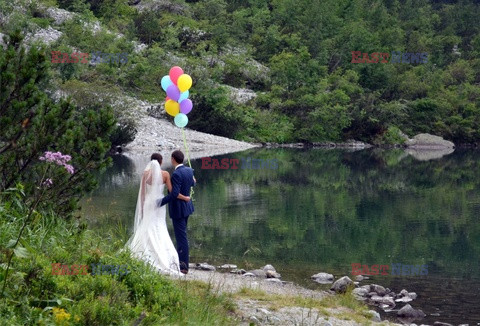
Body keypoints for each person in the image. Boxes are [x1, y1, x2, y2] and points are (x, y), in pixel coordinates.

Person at [127, 153, 190, 275]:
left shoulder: (145, 174)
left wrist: (142, 208)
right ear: (161, 162)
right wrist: (185, 198)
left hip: (149, 203)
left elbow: (142, 194)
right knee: (159, 226)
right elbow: (173, 193)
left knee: (147, 226)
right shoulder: (165, 174)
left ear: (151, 162)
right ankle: (164, 255)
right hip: (160, 204)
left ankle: (143, 252)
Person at [157, 150, 195, 274]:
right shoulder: (189, 170)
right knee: (182, 236)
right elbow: (193, 183)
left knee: (181, 238)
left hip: (179, 210)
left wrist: (159, 203)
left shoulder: (176, 174)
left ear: (173, 159)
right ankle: (181, 262)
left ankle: (184, 267)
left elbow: (173, 194)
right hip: (187, 208)